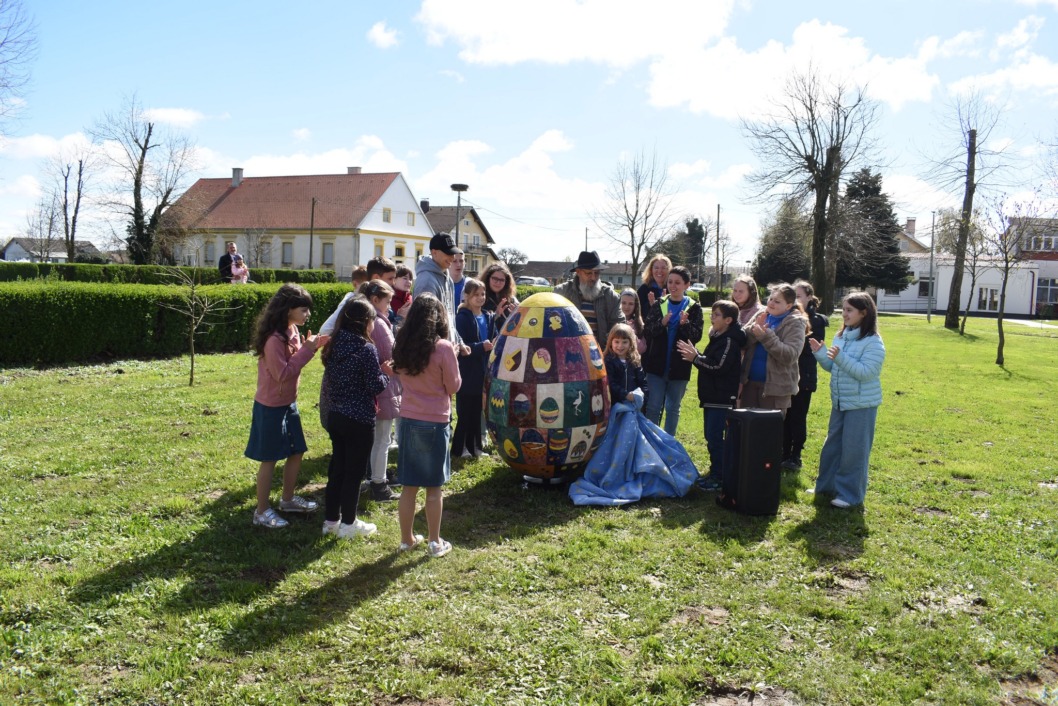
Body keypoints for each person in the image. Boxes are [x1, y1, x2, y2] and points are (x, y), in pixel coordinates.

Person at [569, 323, 698, 506]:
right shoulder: (609, 362)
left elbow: (643, 382)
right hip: (618, 410)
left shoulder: (634, 362)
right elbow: (610, 384)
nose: (620, 346)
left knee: (648, 438)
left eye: (624, 342)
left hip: (633, 409)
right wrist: (625, 394)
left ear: (631, 344)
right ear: (610, 342)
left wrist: (642, 394)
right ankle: (616, 469)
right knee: (619, 438)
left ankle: (641, 466)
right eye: (616, 342)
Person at [245, 284, 329, 529]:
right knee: (269, 459)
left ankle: (288, 499)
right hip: (271, 406)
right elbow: (282, 373)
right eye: (303, 310)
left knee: (296, 451)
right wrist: (307, 350)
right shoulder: (273, 340)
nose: (308, 315)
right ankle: (261, 511)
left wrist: (309, 347)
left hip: (288, 402)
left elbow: (294, 360)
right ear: (287, 309)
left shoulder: (291, 329)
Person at [392, 294, 462, 557]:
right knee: (434, 487)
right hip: (436, 421)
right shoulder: (443, 348)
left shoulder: (403, 344)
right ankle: (434, 541)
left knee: (409, 486)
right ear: (439, 317)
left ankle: (406, 539)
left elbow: (400, 373)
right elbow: (453, 386)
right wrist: (453, 357)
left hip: (408, 419)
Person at [318, 297, 392, 538]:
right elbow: (375, 385)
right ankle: (349, 523)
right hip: (359, 419)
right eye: (372, 320)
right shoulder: (366, 349)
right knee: (354, 472)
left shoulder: (334, 344)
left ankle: (331, 521)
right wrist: (386, 373)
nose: (374, 324)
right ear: (364, 322)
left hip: (336, 415)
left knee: (337, 469)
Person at [810, 292, 885, 509]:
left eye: (849, 310)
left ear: (864, 313)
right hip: (841, 401)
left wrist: (839, 358)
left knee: (855, 450)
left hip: (861, 405)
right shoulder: (841, 336)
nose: (844, 314)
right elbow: (833, 367)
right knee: (832, 446)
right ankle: (825, 487)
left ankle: (851, 496)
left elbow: (866, 372)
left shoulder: (873, 342)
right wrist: (821, 354)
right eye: (843, 309)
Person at [676, 300, 747, 491]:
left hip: (721, 398)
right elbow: (712, 361)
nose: (711, 317)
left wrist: (695, 358)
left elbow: (718, 367)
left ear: (728, 320)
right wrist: (697, 355)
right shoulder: (720, 338)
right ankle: (716, 472)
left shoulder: (729, 341)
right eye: (712, 313)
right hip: (712, 397)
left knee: (715, 437)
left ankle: (720, 477)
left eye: (716, 315)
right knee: (711, 436)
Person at [642, 265, 704, 436]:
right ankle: (651, 442)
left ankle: (669, 443)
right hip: (656, 366)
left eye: (678, 282)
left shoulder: (694, 308)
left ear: (687, 285)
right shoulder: (659, 304)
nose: (673, 286)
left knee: (673, 408)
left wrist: (685, 324)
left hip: (680, 367)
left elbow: (696, 336)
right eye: (670, 282)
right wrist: (662, 323)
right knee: (653, 407)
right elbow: (648, 331)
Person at [783, 280, 829, 471]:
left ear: (809, 297)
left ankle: (796, 455)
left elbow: (811, 349)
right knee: (784, 415)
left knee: (798, 416)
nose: (796, 300)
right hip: (786, 374)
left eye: (799, 296)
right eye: (793, 297)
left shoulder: (816, 321)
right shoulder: (787, 317)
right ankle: (783, 452)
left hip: (804, 376)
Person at [741, 282, 807, 414]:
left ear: (788, 305)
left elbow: (790, 355)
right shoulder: (762, 313)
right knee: (746, 430)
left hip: (776, 389)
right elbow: (741, 341)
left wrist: (766, 336)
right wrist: (752, 331)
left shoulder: (796, 323)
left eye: (777, 301)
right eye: (770, 299)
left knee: (768, 432)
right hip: (750, 384)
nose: (771, 303)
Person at [362, 280, 401, 500]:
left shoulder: (371, 320)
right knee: (383, 438)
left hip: (376, 386)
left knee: (377, 437)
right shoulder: (378, 323)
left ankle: (373, 478)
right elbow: (390, 354)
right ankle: (379, 483)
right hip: (383, 388)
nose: (390, 306)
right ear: (375, 300)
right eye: (388, 301)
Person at [452, 278, 496, 459]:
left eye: (482, 294)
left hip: (482, 371)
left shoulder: (486, 316)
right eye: (476, 295)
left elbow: (490, 337)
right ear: (467, 297)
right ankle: (459, 448)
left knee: (477, 411)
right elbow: (461, 346)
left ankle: (475, 446)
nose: (480, 298)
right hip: (468, 371)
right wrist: (480, 347)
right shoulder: (463, 318)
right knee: (465, 412)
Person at [553, 250, 625, 351]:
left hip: (601, 356)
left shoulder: (611, 297)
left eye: (597, 273)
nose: (593, 277)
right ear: (578, 272)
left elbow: (619, 327)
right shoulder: (561, 293)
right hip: (567, 353)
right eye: (589, 273)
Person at [414, 233, 469, 353]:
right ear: (434, 252)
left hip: (447, 351)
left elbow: (450, 317)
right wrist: (443, 353)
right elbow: (425, 326)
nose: (452, 257)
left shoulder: (447, 278)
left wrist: (459, 342)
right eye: (448, 253)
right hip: (435, 355)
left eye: (453, 253)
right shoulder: (426, 281)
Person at [319, 255, 399, 337]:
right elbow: (326, 330)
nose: (393, 283)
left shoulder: (382, 301)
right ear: (376, 277)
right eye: (390, 278)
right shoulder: (354, 301)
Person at [481, 262, 519, 331]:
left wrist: (517, 316)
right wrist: (495, 315)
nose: (498, 283)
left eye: (502, 280)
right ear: (488, 278)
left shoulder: (512, 300)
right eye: (495, 278)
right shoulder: (479, 298)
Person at [619, 287, 647, 355]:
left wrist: (632, 333)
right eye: (623, 303)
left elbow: (642, 349)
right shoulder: (613, 321)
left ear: (635, 306)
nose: (626, 307)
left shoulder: (638, 324)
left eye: (631, 304)